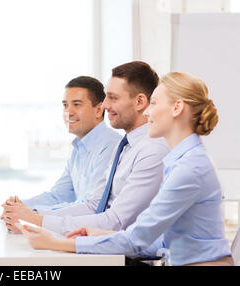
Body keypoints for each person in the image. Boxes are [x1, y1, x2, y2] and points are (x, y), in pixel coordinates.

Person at [19, 72, 234, 266]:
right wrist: (98, 235)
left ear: (176, 108)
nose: (148, 112)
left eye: (154, 103)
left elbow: (137, 240)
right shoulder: (181, 160)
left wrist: (57, 243)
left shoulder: (190, 168)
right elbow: (163, 239)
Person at [3, 61, 169, 235]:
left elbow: (116, 221)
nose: (104, 105)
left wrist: (37, 219)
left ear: (140, 101)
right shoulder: (124, 148)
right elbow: (93, 206)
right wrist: (32, 214)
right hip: (108, 246)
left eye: (113, 98)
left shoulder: (152, 150)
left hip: (128, 256)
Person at [0, 76, 121, 214]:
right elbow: (58, 195)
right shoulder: (79, 148)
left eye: (77, 104)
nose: (68, 112)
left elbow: (93, 207)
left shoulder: (110, 146)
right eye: (65, 105)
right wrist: (19, 206)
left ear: (99, 110)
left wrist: (32, 213)